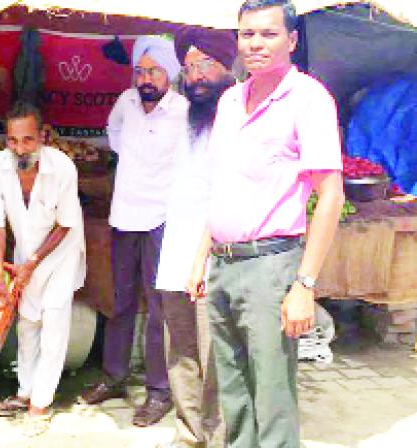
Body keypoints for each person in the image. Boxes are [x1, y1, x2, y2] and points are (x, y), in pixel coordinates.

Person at [187, 1, 345, 447]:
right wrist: (201, 259)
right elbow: (219, 187)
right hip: (223, 264)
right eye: (247, 34)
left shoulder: (308, 99)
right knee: (234, 396)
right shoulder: (231, 100)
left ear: (291, 40)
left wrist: (305, 285)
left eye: (268, 34)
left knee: (272, 400)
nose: (255, 43)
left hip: (271, 267)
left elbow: (331, 195)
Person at [80, 35, 187, 428]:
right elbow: (113, 132)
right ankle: (114, 377)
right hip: (123, 215)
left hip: (162, 219)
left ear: (169, 74)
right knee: (120, 300)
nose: (145, 78)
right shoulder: (125, 102)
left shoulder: (183, 110)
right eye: (140, 71)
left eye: (153, 71)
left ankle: (159, 391)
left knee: (158, 307)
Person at [0, 101, 86, 436]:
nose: (20, 148)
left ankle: (41, 403)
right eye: (12, 140)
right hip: (23, 253)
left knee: (54, 321)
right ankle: (25, 392)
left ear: (42, 136)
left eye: (27, 140)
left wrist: (34, 262)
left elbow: (65, 224)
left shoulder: (62, 167)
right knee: (27, 322)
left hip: (60, 252)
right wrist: (0, 276)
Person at [154, 26, 239, 448]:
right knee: (181, 350)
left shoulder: (241, 111)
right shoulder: (188, 114)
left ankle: (218, 433)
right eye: (189, 68)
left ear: (227, 64)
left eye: (205, 65)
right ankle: (189, 434)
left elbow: (228, 195)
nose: (196, 76)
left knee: (216, 354)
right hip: (176, 254)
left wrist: (200, 261)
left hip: (218, 255)